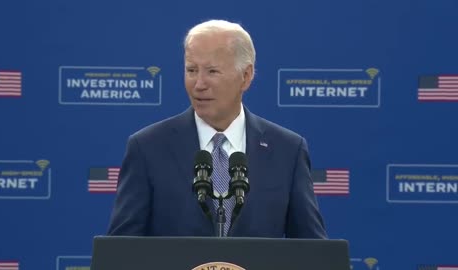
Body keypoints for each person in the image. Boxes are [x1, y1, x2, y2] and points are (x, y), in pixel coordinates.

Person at [107, 19, 327, 238]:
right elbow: (121, 251)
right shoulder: (147, 148)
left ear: (246, 76)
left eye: (212, 71)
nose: (199, 83)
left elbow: (312, 250)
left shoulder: (287, 150)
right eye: (191, 70)